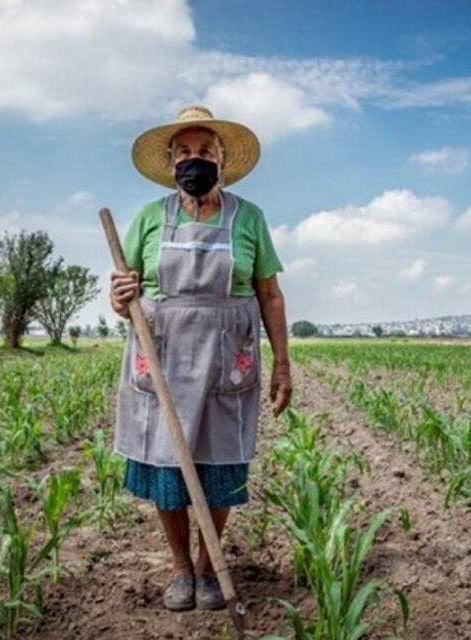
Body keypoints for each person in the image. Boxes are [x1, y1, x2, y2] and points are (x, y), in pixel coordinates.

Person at [109, 105, 292, 612]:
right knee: (168, 466)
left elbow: (270, 295)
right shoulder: (149, 218)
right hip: (162, 355)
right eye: (185, 152)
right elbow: (123, 298)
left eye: (204, 151)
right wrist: (121, 294)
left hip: (225, 355)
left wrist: (282, 364)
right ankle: (181, 568)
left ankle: (211, 566)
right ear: (171, 164)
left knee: (218, 463)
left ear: (222, 160)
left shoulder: (248, 217)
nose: (195, 160)